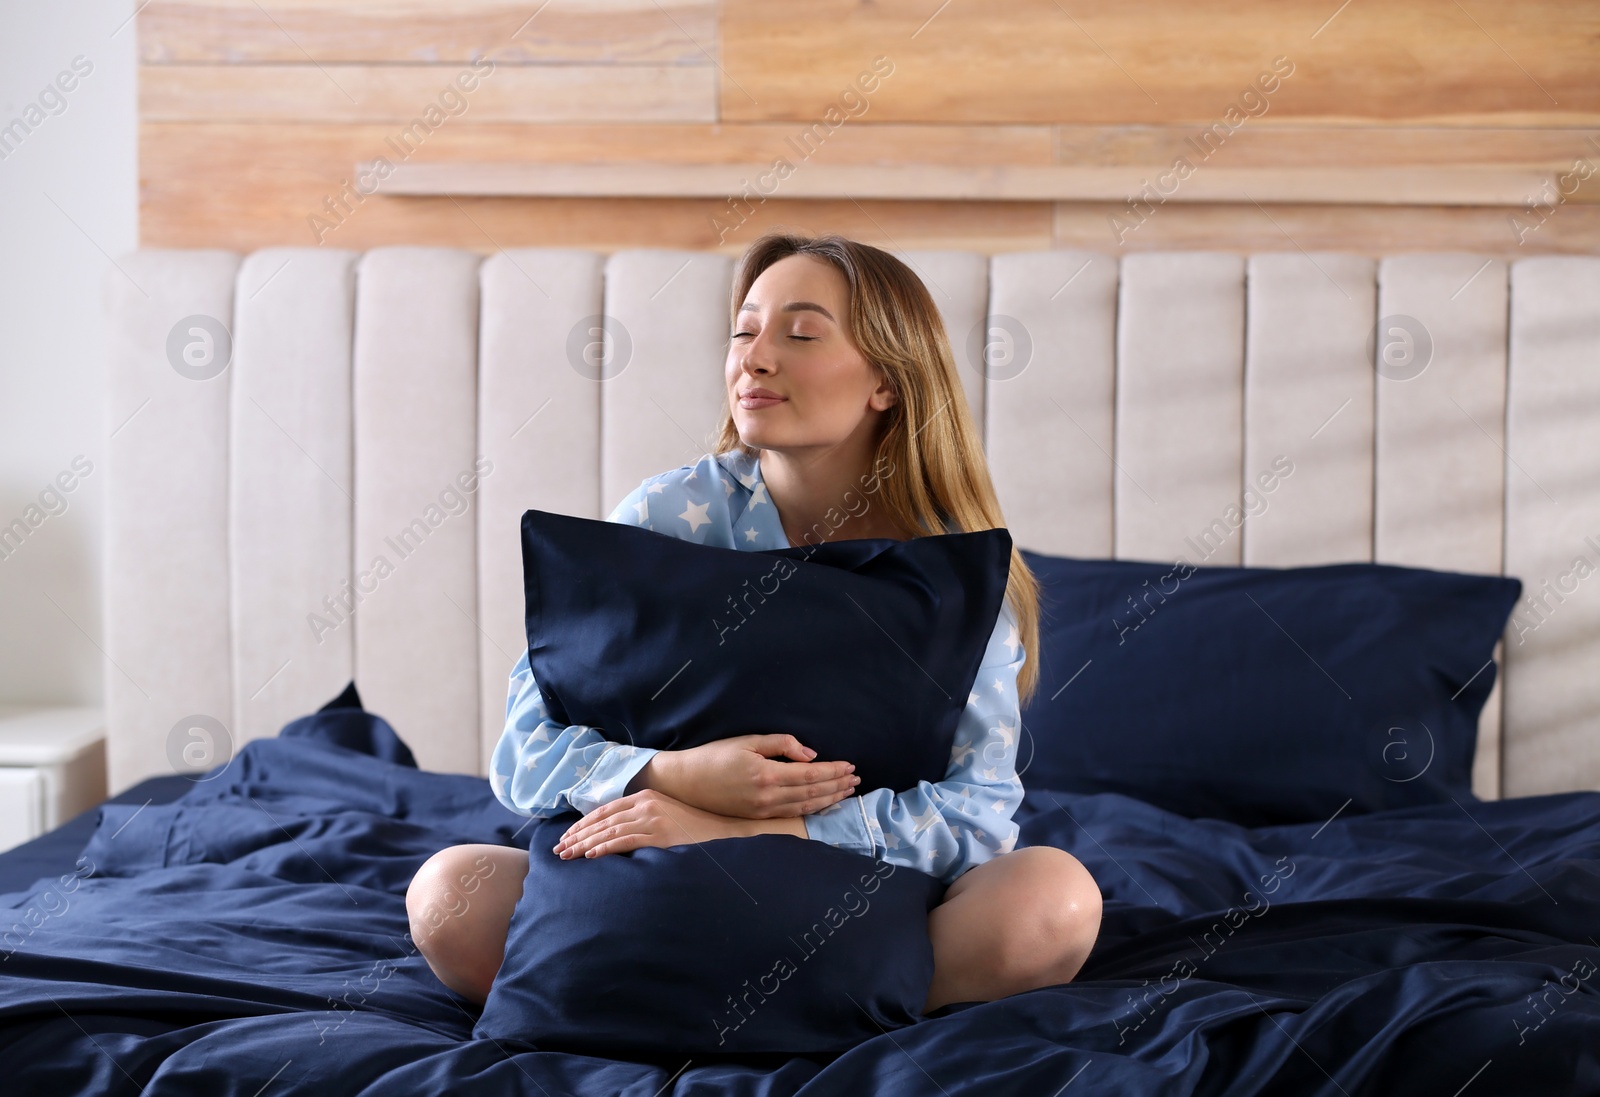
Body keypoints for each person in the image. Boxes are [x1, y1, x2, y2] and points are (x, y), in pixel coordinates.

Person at [406, 231, 1103, 1014]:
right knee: (449, 890)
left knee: (1056, 897)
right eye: (743, 331)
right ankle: (825, 1007)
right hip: (650, 878)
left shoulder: (955, 573)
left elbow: (976, 815)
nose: (754, 357)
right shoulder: (664, 517)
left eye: (800, 334)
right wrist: (671, 774)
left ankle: (681, 997)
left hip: (856, 902)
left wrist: (738, 824)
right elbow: (524, 754)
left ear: (887, 382)